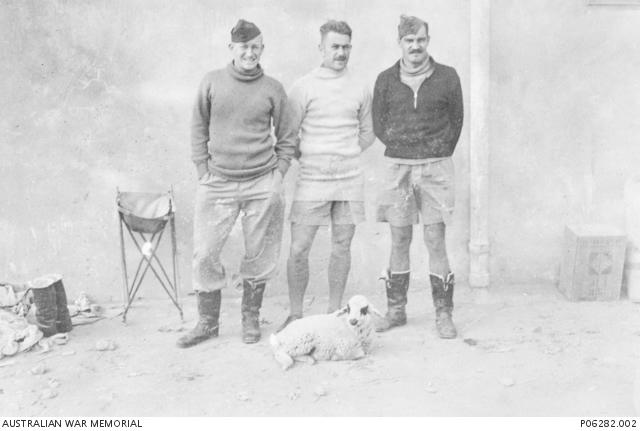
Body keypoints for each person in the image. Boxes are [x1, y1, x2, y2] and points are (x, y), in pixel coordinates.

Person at [177, 19, 296, 348]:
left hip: (262, 181)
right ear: (232, 49)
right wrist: (203, 171)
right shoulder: (211, 82)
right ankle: (207, 323)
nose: (250, 52)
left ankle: (250, 319)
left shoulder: (273, 88)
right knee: (204, 253)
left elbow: (287, 136)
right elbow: (197, 128)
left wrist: (278, 176)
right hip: (218, 182)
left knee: (260, 254)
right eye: (244, 47)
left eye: (256, 46)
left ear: (262, 49)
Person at [278, 20, 375, 330]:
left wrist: (342, 155)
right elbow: (287, 136)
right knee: (299, 248)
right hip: (312, 181)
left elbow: (368, 133)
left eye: (346, 46)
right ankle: (295, 314)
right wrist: (315, 159)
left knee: (341, 245)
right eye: (335, 46)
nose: (341, 52)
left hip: (349, 180)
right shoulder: (303, 86)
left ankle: (335, 314)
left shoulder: (360, 85)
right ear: (321, 48)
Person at [372, 15, 463, 339]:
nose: (415, 46)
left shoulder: (448, 77)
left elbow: (456, 121)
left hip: (436, 167)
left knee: (435, 238)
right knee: (399, 238)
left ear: (428, 40)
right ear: (400, 43)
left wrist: (433, 150)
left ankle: (443, 314)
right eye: (409, 41)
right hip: (397, 167)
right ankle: (396, 311)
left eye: (421, 40)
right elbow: (379, 125)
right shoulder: (385, 79)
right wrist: (404, 148)